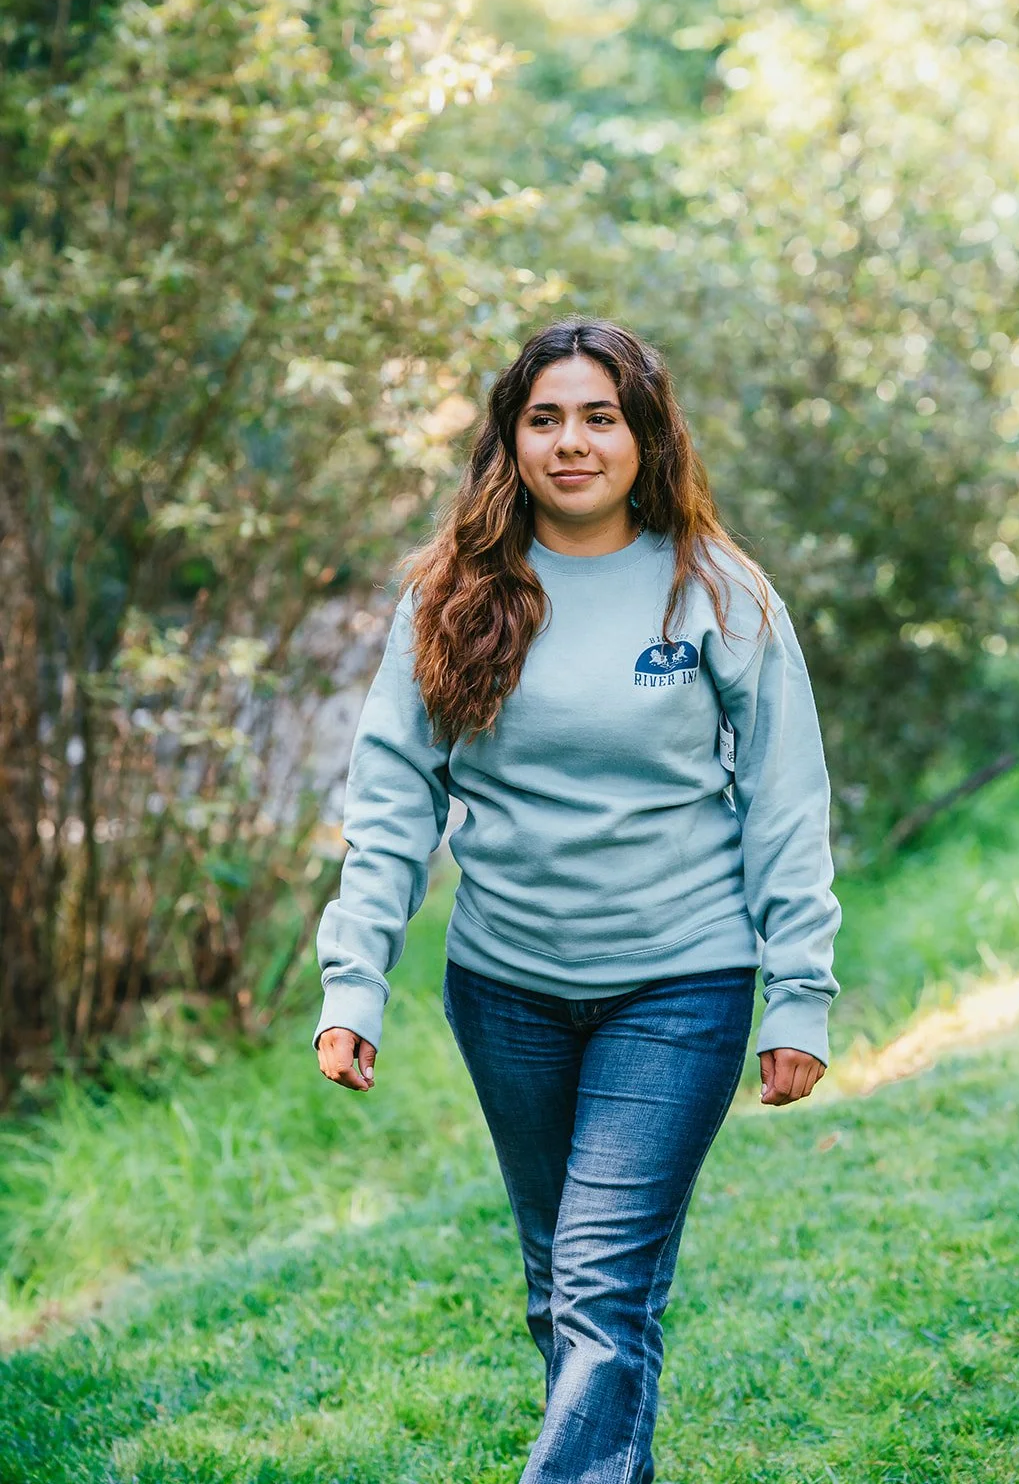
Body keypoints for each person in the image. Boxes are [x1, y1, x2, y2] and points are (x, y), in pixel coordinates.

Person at [314, 317, 841, 1483]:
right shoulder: (450, 594)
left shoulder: (715, 590)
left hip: (679, 982)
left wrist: (797, 994)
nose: (570, 441)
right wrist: (353, 982)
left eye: (598, 415)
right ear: (511, 438)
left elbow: (784, 801)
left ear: (643, 434)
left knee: (599, 1288)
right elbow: (394, 798)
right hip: (504, 991)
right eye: (543, 417)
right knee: (563, 1290)